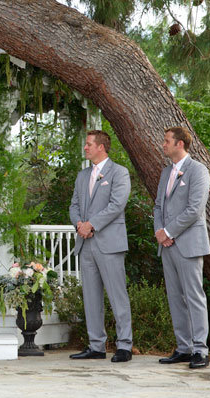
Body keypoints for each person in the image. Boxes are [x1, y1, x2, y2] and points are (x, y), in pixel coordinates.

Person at [68, 130, 133, 363]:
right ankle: (96, 345)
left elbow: (117, 205)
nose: (85, 148)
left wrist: (92, 224)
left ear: (101, 147)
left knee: (118, 296)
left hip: (109, 244)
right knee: (91, 297)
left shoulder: (119, 173)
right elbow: (74, 205)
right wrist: (79, 224)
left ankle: (125, 345)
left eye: (88, 144)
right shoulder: (82, 175)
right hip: (85, 244)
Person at [154, 127, 210, 369]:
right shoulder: (166, 172)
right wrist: (160, 232)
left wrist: (169, 232)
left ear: (180, 144)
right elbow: (158, 206)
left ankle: (201, 350)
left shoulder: (198, 170)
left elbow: (195, 209)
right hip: (167, 246)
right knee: (175, 297)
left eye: (167, 141)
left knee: (194, 297)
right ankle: (183, 348)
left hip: (188, 244)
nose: (163, 144)